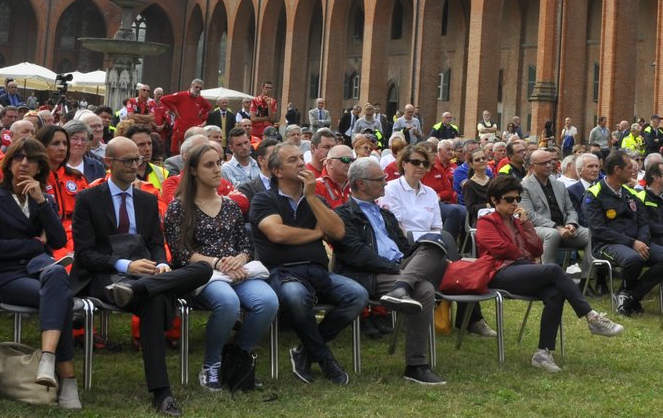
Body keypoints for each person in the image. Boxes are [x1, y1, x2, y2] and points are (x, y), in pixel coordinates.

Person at [71, 136, 212, 416]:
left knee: (203, 269)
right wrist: (126, 266)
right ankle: (162, 393)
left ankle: (144, 287)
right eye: (127, 160)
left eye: (137, 159)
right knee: (157, 299)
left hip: (143, 276)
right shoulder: (88, 199)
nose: (135, 165)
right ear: (108, 163)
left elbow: (156, 243)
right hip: (105, 276)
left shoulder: (147, 200)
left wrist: (160, 264)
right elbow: (85, 254)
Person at [163, 136, 278, 394]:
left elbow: (245, 245)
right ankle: (211, 363)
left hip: (236, 271)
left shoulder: (229, 206)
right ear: (193, 170)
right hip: (201, 273)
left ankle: (238, 358)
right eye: (209, 165)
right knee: (228, 303)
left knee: (268, 301)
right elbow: (180, 253)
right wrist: (217, 262)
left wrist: (240, 259)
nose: (217, 170)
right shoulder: (179, 207)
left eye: (218, 163)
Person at [476, 174, 622, 371]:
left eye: (517, 199)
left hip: (522, 271)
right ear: (494, 200)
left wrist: (527, 225)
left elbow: (537, 250)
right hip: (499, 273)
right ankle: (592, 317)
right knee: (553, 269)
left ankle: (543, 353)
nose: (514, 203)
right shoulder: (486, 222)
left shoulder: (519, 222)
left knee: (555, 292)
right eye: (509, 199)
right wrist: (523, 253)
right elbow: (501, 249)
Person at [249, 143, 368, 385]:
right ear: (278, 171)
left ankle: (305, 350)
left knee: (357, 295)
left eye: (301, 159)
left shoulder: (315, 198)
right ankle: (324, 359)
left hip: (317, 272)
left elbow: (337, 231)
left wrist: (311, 197)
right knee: (295, 295)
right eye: (293, 160)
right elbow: (278, 234)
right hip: (281, 273)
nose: (302, 163)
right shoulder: (264, 199)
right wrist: (315, 234)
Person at [0, 136, 81, 408]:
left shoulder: (42, 199)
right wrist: (35, 243)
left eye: (32, 159)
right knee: (63, 298)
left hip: (40, 271)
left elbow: (57, 241)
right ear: (8, 163)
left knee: (57, 277)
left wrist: (42, 203)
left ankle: (47, 358)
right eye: (18, 158)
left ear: (39, 168)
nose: (24, 163)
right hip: (5, 274)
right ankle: (67, 378)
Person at [332, 156, 449, 385]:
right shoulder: (343, 214)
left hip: (398, 270)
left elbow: (404, 248)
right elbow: (356, 254)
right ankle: (416, 365)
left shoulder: (385, 214)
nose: (386, 183)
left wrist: (409, 261)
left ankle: (402, 287)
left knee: (436, 243)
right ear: (361, 184)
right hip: (370, 273)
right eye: (380, 179)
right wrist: (397, 269)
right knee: (424, 289)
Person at [583, 151, 663, 316]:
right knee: (633, 259)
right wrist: (632, 243)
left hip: (637, 242)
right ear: (617, 169)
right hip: (606, 244)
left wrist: (642, 241)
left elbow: (644, 221)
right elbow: (599, 230)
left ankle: (628, 294)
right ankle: (629, 297)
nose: (633, 171)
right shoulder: (594, 194)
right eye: (630, 167)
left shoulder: (630, 194)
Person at [521, 146, 590, 268]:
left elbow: (570, 209)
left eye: (550, 162)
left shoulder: (559, 185)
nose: (548, 165)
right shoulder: (524, 186)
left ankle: (587, 279)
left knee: (591, 234)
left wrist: (572, 224)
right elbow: (530, 215)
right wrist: (557, 228)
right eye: (543, 163)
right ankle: (548, 275)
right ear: (532, 166)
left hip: (564, 227)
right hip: (539, 228)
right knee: (552, 234)